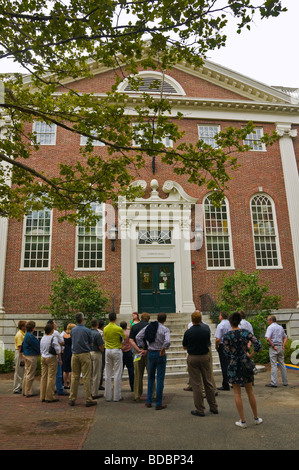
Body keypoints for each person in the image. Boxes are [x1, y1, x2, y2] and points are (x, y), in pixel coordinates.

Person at [223, 312, 263, 428]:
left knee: (237, 392)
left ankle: (243, 421)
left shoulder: (227, 336)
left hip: (233, 364)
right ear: (240, 321)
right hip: (245, 363)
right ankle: (256, 418)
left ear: (230, 322)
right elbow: (258, 345)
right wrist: (250, 355)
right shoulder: (246, 333)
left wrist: (232, 355)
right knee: (250, 391)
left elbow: (225, 352)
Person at [182, 311, 218, 417]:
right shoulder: (206, 330)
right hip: (205, 356)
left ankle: (200, 409)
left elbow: (185, 346)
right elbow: (208, 343)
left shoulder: (188, 332)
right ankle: (214, 406)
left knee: (196, 384)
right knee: (208, 382)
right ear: (201, 319)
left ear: (192, 320)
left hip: (193, 357)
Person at [136, 313, 170, 410]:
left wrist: (143, 346)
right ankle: (158, 403)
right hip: (160, 353)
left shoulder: (149, 327)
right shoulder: (165, 329)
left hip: (150, 353)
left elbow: (138, 336)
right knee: (160, 378)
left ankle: (148, 401)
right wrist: (163, 348)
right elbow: (167, 341)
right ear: (165, 319)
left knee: (150, 377)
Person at [69, 312, 96, 407]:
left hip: (75, 354)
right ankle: (88, 399)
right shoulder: (87, 330)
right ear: (83, 319)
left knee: (74, 377)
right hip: (84, 354)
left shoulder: (73, 330)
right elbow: (91, 343)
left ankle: (72, 398)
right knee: (86, 377)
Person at [103, 312, 126, 402]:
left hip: (108, 350)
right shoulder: (118, 328)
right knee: (117, 372)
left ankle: (108, 395)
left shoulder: (105, 328)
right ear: (115, 318)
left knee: (108, 372)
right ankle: (117, 396)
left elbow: (105, 338)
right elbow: (123, 338)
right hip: (116, 350)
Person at [129, 312, 151, 402]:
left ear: (141, 318)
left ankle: (137, 395)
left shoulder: (134, 327)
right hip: (149, 352)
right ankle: (153, 394)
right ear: (148, 319)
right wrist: (147, 350)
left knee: (138, 374)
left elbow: (131, 340)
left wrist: (138, 349)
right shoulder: (151, 327)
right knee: (151, 374)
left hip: (138, 353)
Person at [40, 323, 62, 403]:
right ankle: (49, 396)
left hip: (43, 357)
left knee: (43, 376)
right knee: (51, 377)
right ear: (52, 330)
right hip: (51, 357)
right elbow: (57, 350)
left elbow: (41, 349)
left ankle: (42, 395)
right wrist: (60, 359)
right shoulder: (53, 338)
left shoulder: (43, 338)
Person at [265, 315, 288, 388]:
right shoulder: (280, 327)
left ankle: (274, 382)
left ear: (271, 320)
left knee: (274, 365)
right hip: (280, 346)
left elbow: (268, 338)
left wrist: (273, 346)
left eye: (268, 320)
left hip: (273, 347)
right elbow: (285, 337)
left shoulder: (270, 327)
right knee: (282, 364)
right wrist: (283, 345)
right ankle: (285, 381)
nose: (267, 321)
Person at [46, 320, 68, 397]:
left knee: (49, 374)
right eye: (55, 323)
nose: (56, 324)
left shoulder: (45, 334)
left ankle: (49, 389)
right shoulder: (55, 333)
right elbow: (62, 342)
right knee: (58, 374)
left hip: (46, 356)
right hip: (55, 356)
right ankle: (59, 389)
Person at [22, 321, 40, 397]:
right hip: (31, 356)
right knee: (30, 374)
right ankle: (28, 391)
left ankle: (24, 390)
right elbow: (37, 346)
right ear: (33, 328)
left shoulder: (26, 335)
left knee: (26, 373)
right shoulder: (31, 337)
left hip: (26, 355)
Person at [215, 311, 231, 391]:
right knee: (229, 364)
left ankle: (225, 383)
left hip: (223, 345)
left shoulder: (220, 325)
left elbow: (218, 338)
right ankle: (231, 380)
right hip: (230, 345)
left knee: (224, 365)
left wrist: (216, 346)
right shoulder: (230, 324)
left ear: (221, 316)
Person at [90, 318, 104, 399]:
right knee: (96, 373)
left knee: (90, 373)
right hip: (96, 353)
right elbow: (101, 346)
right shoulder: (97, 334)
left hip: (89, 352)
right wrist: (102, 350)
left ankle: (89, 391)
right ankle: (94, 392)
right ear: (97, 324)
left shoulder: (88, 332)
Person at [120, 321, 134, 392]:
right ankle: (132, 386)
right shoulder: (128, 334)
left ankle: (118, 386)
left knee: (120, 370)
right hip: (128, 352)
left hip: (121, 353)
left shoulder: (119, 334)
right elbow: (131, 342)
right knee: (131, 370)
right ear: (126, 327)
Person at [12, 320, 27, 394]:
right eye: (25, 325)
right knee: (18, 371)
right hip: (19, 353)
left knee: (21, 371)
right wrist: (22, 357)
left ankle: (19, 386)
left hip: (20, 353)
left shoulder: (22, 334)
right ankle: (16, 388)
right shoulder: (19, 335)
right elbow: (19, 347)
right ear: (22, 326)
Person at [62, 323, 75, 389]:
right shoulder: (72, 336)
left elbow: (62, 343)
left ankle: (64, 383)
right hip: (71, 351)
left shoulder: (64, 335)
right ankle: (70, 384)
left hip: (65, 351)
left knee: (65, 370)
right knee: (70, 370)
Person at [98, 318, 105, 390]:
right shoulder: (102, 333)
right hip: (100, 351)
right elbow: (103, 342)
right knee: (101, 367)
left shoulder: (92, 332)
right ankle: (99, 383)